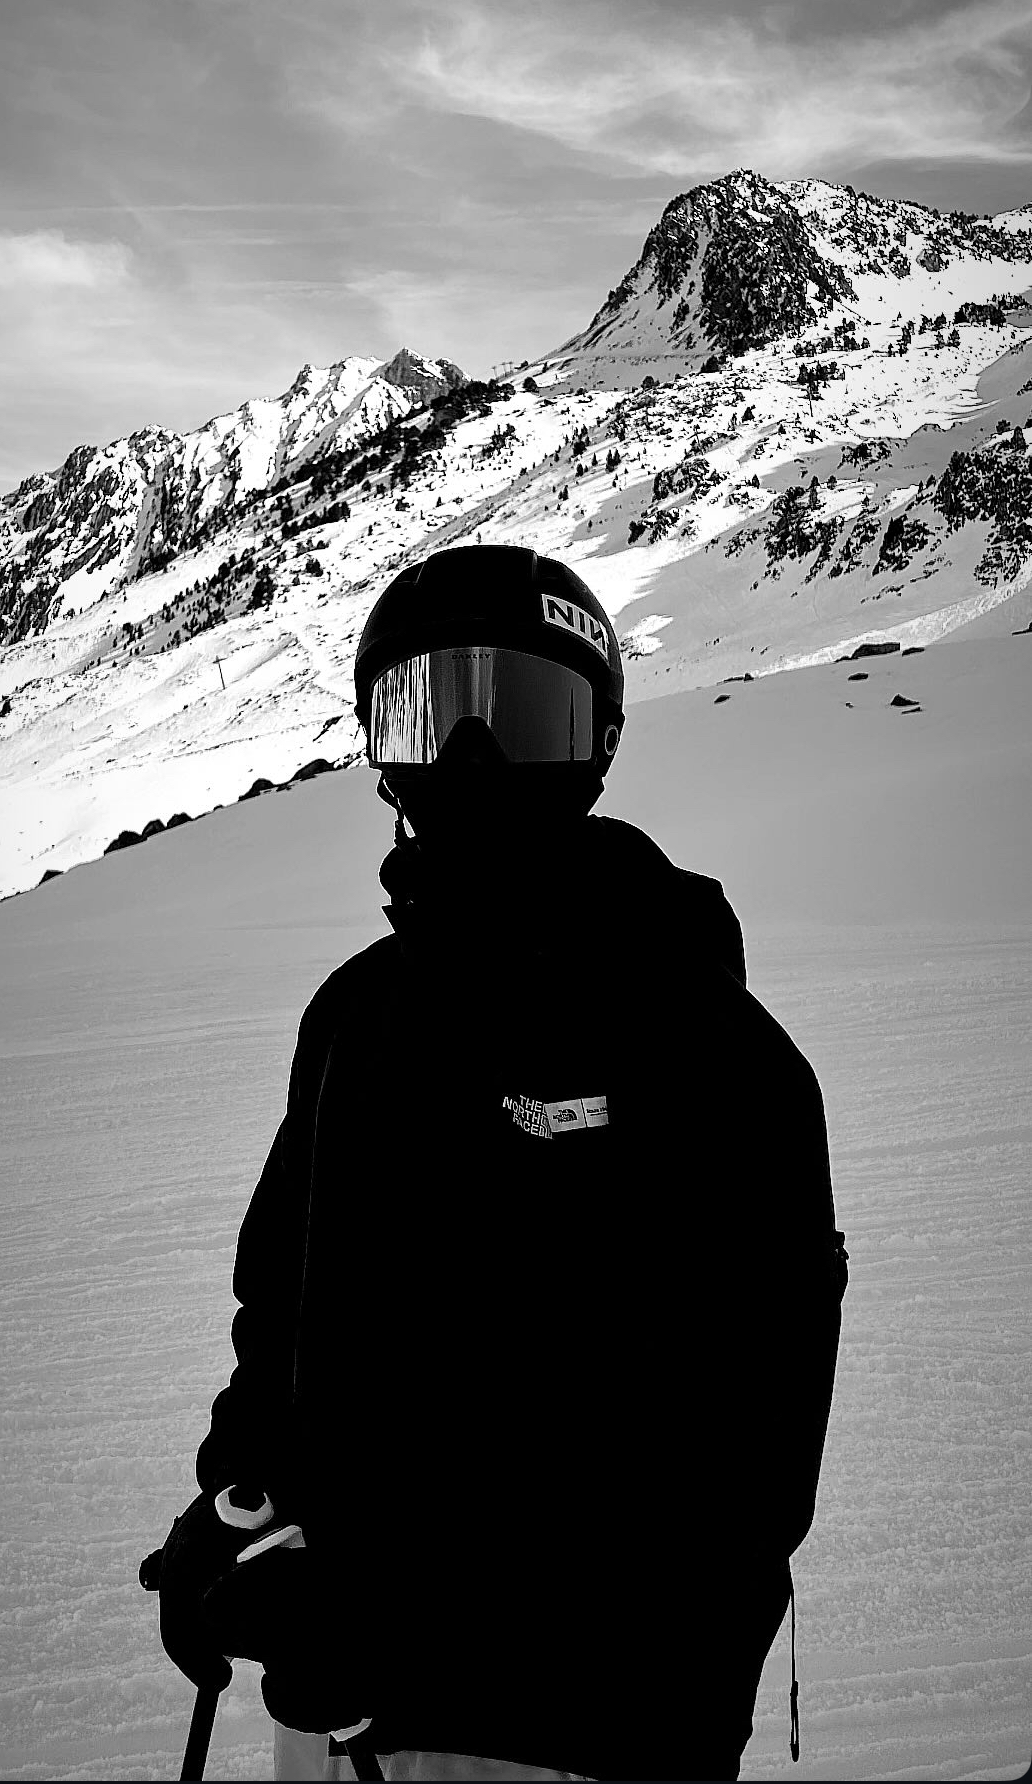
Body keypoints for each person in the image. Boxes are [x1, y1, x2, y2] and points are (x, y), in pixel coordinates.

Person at [143, 544, 847, 1782]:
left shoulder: (708, 1045)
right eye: (427, 712)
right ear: (380, 750)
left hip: (578, 1730)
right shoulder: (355, 1016)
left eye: (521, 712)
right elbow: (288, 1315)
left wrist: (405, 1626)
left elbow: (738, 1466)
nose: (471, 759)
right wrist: (237, 1501)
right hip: (335, 1700)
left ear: (597, 741)